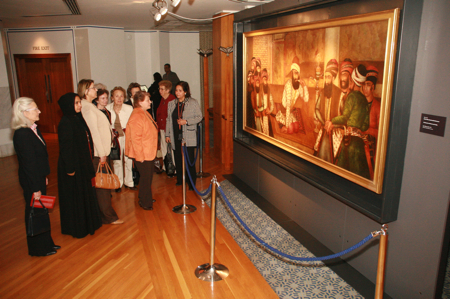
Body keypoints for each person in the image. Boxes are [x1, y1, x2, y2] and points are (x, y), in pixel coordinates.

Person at [11, 97, 59, 256]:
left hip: (38, 177)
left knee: (41, 211)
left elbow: (39, 157)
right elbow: (28, 164)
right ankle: (38, 248)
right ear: (24, 113)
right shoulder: (22, 134)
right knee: (34, 213)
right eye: (35, 109)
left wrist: (43, 176)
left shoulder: (34, 129)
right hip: (31, 181)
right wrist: (35, 188)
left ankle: (47, 243)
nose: (39, 111)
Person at [78, 79, 123, 225]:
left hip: (102, 151)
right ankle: (108, 217)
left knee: (102, 186)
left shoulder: (90, 106)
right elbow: (94, 133)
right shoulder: (87, 108)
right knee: (103, 186)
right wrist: (102, 153)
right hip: (99, 153)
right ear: (86, 91)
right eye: (93, 88)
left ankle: (103, 215)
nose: (96, 90)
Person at [57, 93, 102, 238]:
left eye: (79, 102)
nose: (79, 105)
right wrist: (70, 168)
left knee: (85, 194)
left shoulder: (78, 119)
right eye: (76, 103)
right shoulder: (65, 123)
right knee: (76, 197)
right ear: (69, 105)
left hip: (82, 163)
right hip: (73, 166)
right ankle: (78, 227)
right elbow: (66, 149)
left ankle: (89, 223)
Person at [325, 64, 370, 179]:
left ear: (353, 81)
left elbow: (344, 118)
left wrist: (331, 120)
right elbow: (365, 125)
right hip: (359, 143)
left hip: (349, 142)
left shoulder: (351, 97)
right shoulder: (364, 100)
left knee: (340, 175)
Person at [165, 81, 203, 190]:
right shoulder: (171, 103)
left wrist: (186, 121)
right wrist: (167, 134)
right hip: (175, 135)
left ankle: (191, 183)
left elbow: (199, 117)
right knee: (177, 158)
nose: (177, 93)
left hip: (188, 135)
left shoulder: (193, 102)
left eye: (180, 90)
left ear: (185, 92)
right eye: (176, 90)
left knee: (189, 160)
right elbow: (168, 119)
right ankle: (180, 180)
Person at [125, 91, 158, 210]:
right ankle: (145, 201)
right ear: (140, 102)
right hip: (143, 153)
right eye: (148, 100)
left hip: (148, 151)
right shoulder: (137, 116)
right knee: (145, 177)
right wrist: (139, 157)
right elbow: (136, 139)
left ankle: (144, 196)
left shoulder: (143, 112)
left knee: (147, 177)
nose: (150, 102)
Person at [106, 86, 135, 192]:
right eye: (117, 96)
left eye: (121, 96)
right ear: (112, 97)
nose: (119, 98)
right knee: (117, 161)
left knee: (128, 159)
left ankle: (129, 182)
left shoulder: (129, 108)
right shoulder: (107, 108)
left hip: (126, 136)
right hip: (114, 138)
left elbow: (132, 124)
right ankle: (118, 183)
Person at [314, 59, 342, 163]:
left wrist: (332, 124)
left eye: (329, 77)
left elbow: (344, 118)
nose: (326, 80)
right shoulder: (322, 92)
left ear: (334, 78)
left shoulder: (340, 94)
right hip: (324, 127)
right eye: (325, 77)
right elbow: (316, 109)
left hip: (335, 131)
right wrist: (323, 122)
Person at [275, 56, 309, 134]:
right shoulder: (288, 84)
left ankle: (287, 125)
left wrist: (304, 86)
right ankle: (281, 124)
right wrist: (287, 126)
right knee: (290, 130)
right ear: (292, 74)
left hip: (290, 111)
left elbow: (306, 99)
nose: (296, 76)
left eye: (297, 74)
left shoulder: (299, 86)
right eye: (294, 73)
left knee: (296, 128)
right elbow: (287, 106)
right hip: (284, 111)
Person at [156, 80, 176, 175]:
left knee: (171, 149)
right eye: (159, 88)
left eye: (162, 89)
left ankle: (174, 167)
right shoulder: (162, 99)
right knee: (164, 148)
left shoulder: (172, 100)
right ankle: (165, 166)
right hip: (162, 128)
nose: (160, 91)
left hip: (169, 129)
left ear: (168, 90)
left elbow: (171, 117)